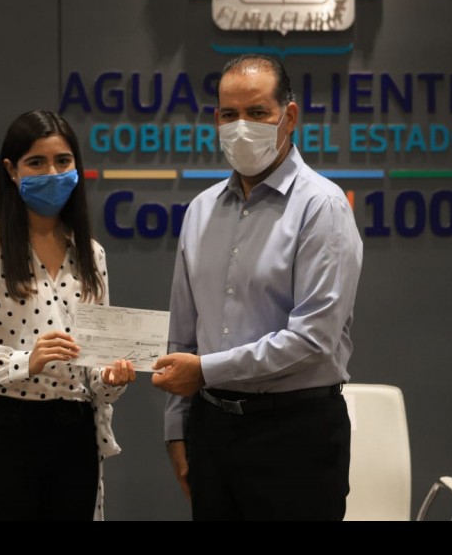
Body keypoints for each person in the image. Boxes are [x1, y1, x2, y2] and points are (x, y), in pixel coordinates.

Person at [151, 54, 363, 521]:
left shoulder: (322, 207)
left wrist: (205, 371)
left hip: (295, 435)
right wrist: (177, 428)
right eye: (229, 114)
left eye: (257, 112)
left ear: (289, 116)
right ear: (216, 119)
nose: (241, 127)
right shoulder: (201, 211)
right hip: (211, 431)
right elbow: (183, 334)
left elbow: (313, 339)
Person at [0, 109, 136, 521]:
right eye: (37, 162)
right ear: (11, 170)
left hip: (76, 435)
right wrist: (25, 361)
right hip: (7, 433)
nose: (52, 173)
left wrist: (111, 378)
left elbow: (93, 368)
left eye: (63, 161)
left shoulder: (91, 253)